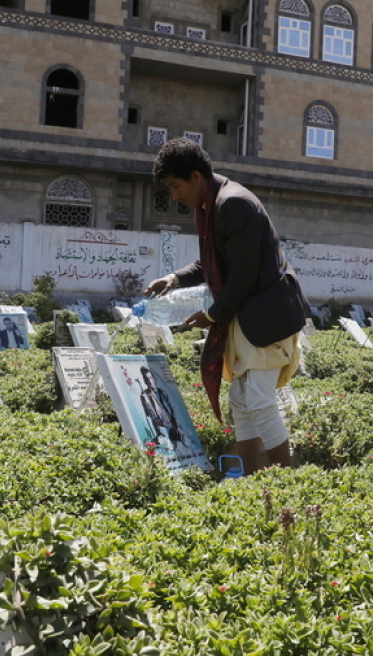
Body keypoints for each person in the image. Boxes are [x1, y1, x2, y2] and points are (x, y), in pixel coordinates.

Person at [144, 137, 310, 476]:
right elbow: (215, 264)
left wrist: (211, 316)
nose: (175, 196)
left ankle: (287, 484)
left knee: (261, 403)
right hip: (248, 318)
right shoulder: (214, 205)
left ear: (195, 176)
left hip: (265, 318)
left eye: (176, 186)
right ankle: (251, 478)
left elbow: (244, 276)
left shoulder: (233, 204)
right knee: (242, 403)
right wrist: (174, 278)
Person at [138, 365, 184, 447]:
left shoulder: (162, 393)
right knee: (168, 447)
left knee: (185, 444)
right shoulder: (145, 395)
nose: (150, 381)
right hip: (161, 428)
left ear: (155, 379)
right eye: (147, 379)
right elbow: (149, 414)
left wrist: (176, 423)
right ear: (145, 381)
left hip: (172, 425)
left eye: (151, 378)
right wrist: (158, 422)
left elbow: (172, 408)